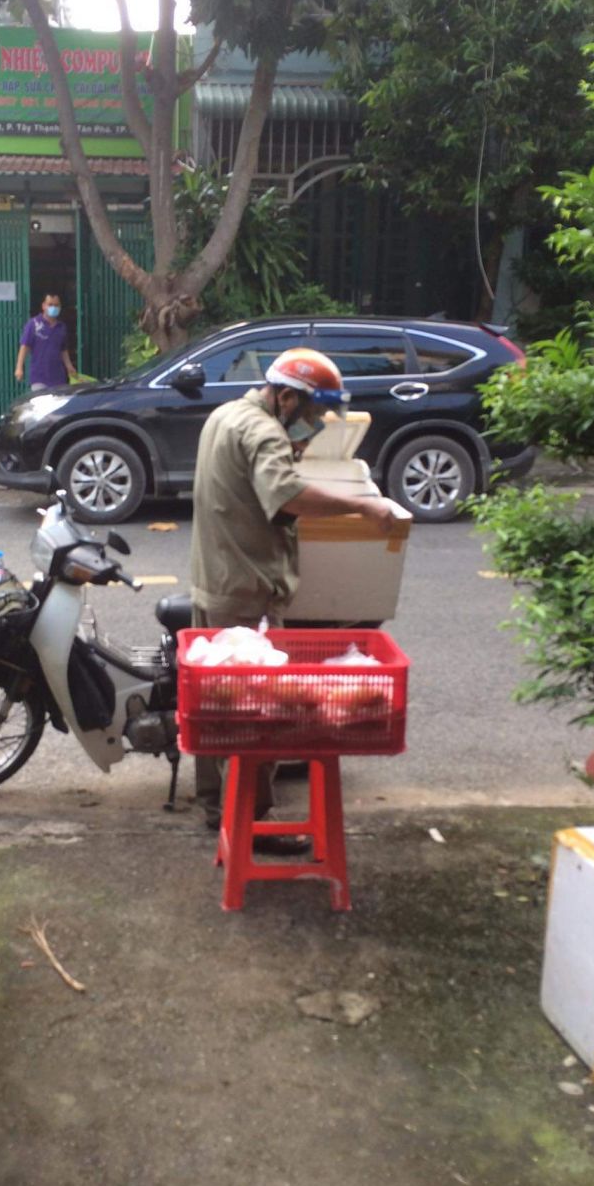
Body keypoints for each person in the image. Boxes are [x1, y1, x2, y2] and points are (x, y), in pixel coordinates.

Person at [189, 347, 399, 839]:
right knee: (257, 716)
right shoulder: (264, 432)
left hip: (214, 581)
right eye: (311, 412)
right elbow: (288, 497)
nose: (316, 423)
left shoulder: (226, 415)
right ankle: (253, 821)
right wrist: (364, 508)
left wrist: (293, 449)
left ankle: (217, 807)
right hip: (248, 593)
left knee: (214, 709)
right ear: (285, 398)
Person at [15, 293, 76, 392]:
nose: (53, 308)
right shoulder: (33, 324)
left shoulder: (61, 327)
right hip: (39, 376)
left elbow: (63, 349)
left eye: (56, 305)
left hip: (58, 377)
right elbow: (24, 346)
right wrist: (19, 367)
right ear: (43, 306)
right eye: (50, 304)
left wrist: (69, 366)